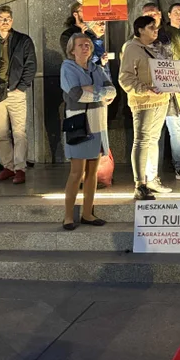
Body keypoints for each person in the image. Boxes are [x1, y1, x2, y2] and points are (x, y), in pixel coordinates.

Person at [60, 33, 115, 229]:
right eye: (81, 45)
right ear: (72, 49)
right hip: (79, 122)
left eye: (88, 45)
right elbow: (75, 94)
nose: (86, 47)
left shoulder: (97, 68)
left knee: (93, 171)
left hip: (98, 123)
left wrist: (93, 90)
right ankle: (68, 216)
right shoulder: (67, 67)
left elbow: (112, 90)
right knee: (77, 172)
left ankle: (88, 213)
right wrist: (100, 93)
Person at [142, 3, 180, 183]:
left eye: (154, 13)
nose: (152, 16)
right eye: (148, 14)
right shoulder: (137, 37)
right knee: (152, 133)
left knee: (177, 130)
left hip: (174, 90)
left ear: (160, 14)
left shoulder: (175, 34)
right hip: (151, 93)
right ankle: (152, 173)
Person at [120, 15, 170, 200]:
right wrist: (144, 89)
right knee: (142, 139)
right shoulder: (132, 48)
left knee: (153, 139)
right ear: (140, 30)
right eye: (151, 27)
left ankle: (152, 178)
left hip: (161, 99)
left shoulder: (156, 47)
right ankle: (139, 183)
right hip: (143, 101)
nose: (155, 30)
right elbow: (125, 77)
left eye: (156, 27)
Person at [0, 5, 38, 185]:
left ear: (12, 20)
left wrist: (21, 87)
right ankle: (8, 167)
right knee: (1, 133)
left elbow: (31, 65)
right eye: (1, 18)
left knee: (19, 132)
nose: (5, 21)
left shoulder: (23, 41)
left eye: (8, 18)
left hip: (16, 91)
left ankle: (20, 168)